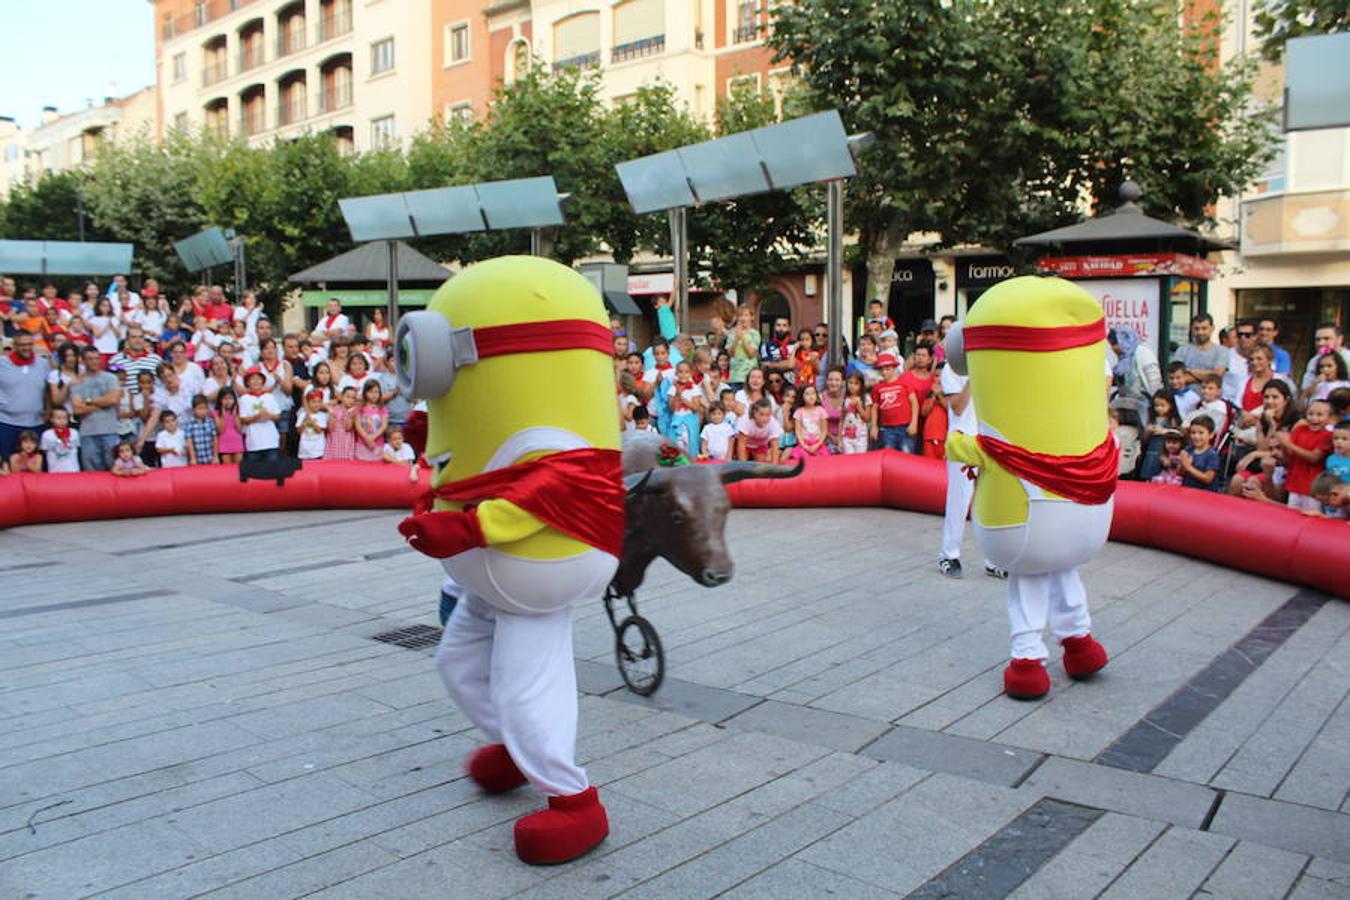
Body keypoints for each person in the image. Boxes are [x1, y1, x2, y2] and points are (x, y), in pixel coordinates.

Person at [937, 347, 1002, 579]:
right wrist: (975, 376)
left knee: (989, 502)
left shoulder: (992, 367)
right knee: (959, 499)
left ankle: (993, 559)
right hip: (962, 442)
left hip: (987, 439)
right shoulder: (951, 369)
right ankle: (948, 554)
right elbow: (957, 405)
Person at [0, 331, 52, 461]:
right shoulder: (2, 363)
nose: (26, 348)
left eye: (29, 344)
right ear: (14, 345)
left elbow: (47, 390)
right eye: (22, 345)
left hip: (35, 423)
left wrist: (48, 409)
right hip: (6, 423)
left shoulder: (43, 364)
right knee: (8, 464)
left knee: (33, 467)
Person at [69, 347, 121, 471]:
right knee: (91, 472)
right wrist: (104, 402)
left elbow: (113, 400)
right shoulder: (77, 382)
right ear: (82, 361)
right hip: (88, 432)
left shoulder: (110, 378)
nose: (94, 362)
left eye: (97, 358)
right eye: (90, 359)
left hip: (110, 430)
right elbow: (77, 409)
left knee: (114, 468)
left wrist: (87, 401)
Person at [1279, 398, 1334, 511]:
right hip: (1294, 484)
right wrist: (1283, 444)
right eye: (1310, 414)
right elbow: (1289, 456)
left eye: (1320, 415)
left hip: (1313, 489)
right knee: (1291, 516)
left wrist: (1288, 444)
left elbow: (1314, 458)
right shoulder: (1300, 430)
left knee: (1310, 518)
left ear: (1330, 419)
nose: (1314, 418)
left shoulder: (1328, 435)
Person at [1108, 327, 1162, 427]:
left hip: (1144, 404)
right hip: (1126, 405)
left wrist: (1154, 402)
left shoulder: (1143, 353)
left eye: (1115, 344)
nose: (1114, 348)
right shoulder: (1123, 359)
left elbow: (1154, 382)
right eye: (1111, 345)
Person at [870, 351, 918, 453]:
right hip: (886, 429)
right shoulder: (877, 387)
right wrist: (874, 426)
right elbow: (875, 407)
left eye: (888, 369)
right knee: (889, 457)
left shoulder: (904, 383)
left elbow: (914, 403)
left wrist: (914, 423)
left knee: (907, 456)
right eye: (882, 370)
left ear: (894, 368)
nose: (884, 372)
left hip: (905, 427)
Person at [1173, 313, 1227, 386]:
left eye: (1204, 328)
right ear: (1191, 329)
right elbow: (1176, 377)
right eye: (1196, 329)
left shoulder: (1222, 351)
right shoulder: (1182, 350)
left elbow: (1217, 375)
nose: (1200, 332)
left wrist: (1189, 370)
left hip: (1211, 397)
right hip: (1185, 396)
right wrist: (1209, 374)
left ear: (1212, 328)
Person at [1138, 390, 1181, 481]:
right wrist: (1148, 431)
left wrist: (1165, 431)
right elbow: (1144, 440)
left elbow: (1178, 435)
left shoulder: (1173, 420)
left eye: (1162, 405)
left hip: (1164, 453)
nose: (1159, 408)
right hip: (1151, 452)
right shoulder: (1152, 419)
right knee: (1149, 477)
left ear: (1171, 405)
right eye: (1156, 406)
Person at [1299, 323, 1350, 394]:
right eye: (1317, 339)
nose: (1320, 343)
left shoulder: (1348, 358)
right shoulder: (1314, 361)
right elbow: (1305, 392)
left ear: (1340, 339)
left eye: (1326, 338)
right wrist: (1316, 383)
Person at [1179, 416, 1221, 491]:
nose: (1196, 436)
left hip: (1204, 494)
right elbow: (1179, 473)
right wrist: (1183, 465)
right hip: (1187, 490)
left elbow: (1208, 478)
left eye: (1201, 433)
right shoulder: (1188, 449)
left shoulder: (1212, 455)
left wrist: (1188, 467)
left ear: (1211, 435)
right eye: (1193, 433)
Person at [735, 397, 783, 463]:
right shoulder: (746, 420)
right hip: (746, 444)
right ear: (754, 413)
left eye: (767, 415)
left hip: (761, 445)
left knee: (760, 467)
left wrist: (774, 468)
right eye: (761, 414)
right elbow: (741, 444)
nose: (764, 418)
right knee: (742, 465)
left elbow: (774, 447)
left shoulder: (773, 423)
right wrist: (742, 465)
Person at [791, 384, 830, 458]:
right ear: (802, 396)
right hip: (804, 444)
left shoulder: (821, 411)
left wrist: (817, 445)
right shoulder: (799, 412)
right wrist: (805, 446)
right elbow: (798, 431)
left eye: (813, 393)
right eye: (807, 394)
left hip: (818, 444)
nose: (811, 396)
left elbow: (824, 431)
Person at [354, 379, 388, 462]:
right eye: (371, 392)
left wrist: (372, 438)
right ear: (365, 393)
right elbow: (358, 425)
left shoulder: (382, 409)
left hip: (377, 444)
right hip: (362, 444)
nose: (374, 395)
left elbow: (384, 426)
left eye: (376, 392)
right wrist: (367, 438)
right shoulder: (359, 408)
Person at [38, 408, 80, 473]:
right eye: (58, 418)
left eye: (64, 418)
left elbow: (77, 447)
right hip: (55, 470)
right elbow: (44, 450)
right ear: (51, 419)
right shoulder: (47, 434)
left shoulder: (74, 433)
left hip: (72, 469)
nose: (62, 421)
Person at [324, 386, 359, 460]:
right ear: (342, 397)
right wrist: (332, 414)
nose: (350, 400)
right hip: (334, 443)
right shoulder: (335, 409)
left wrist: (349, 414)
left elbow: (348, 428)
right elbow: (330, 428)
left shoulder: (354, 412)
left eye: (353, 398)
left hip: (347, 445)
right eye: (348, 397)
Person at [840, 371, 871, 454]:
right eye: (850, 383)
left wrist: (859, 407)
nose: (852, 386)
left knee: (860, 459)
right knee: (848, 460)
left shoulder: (866, 398)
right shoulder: (844, 399)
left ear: (861, 385)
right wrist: (840, 438)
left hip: (861, 436)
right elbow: (842, 419)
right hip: (846, 436)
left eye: (856, 383)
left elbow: (867, 418)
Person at [184, 395, 219, 465]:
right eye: (200, 408)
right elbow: (189, 442)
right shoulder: (189, 424)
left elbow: (215, 439)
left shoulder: (210, 422)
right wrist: (192, 458)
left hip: (210, 458)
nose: (203, 411)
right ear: (193, 410)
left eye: (205, 408)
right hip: (197, 460)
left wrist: (215, 456)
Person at [295, 389, 330, 460]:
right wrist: (305, 421)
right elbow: (299, 431)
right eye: (313, 402)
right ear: (308, 403)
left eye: (319, 402)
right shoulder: (302, 415)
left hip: (318, 451)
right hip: (304, 451)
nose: (317, 404)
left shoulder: (322, 415)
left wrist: (312, 422)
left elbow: (319, 430)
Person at [214, 388, 246, 465]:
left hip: (237, 442)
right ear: (220, 400)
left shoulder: (238, 411)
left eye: (230, 398)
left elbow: (239, 429)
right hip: (224, 443)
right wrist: (224, 415)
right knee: (227, 468)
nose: (228, 401)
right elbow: (220, 430)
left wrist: (235, 415)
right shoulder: (216, 413)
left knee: (238, 468)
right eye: (225, 398)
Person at [759, 315, 795, 380]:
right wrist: (787, 363)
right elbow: (765, 365)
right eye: (778, 325)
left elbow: (793, 364)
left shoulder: (795, 345)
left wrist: (772, 364)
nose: (781, 328)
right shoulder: (766, 346)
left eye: (784, 325)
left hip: (793, 382)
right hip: (772, 382)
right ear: (774, 327)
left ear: (789, 328)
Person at [88, 297, 121, 362]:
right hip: (100, 349)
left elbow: (118, 335)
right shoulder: (94, 319)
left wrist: (112, 326)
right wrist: (107, 326)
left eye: (108, 306)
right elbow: (97, 334)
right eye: (103, 305)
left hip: (112, 348)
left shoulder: (114, 319)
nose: (106, 308)